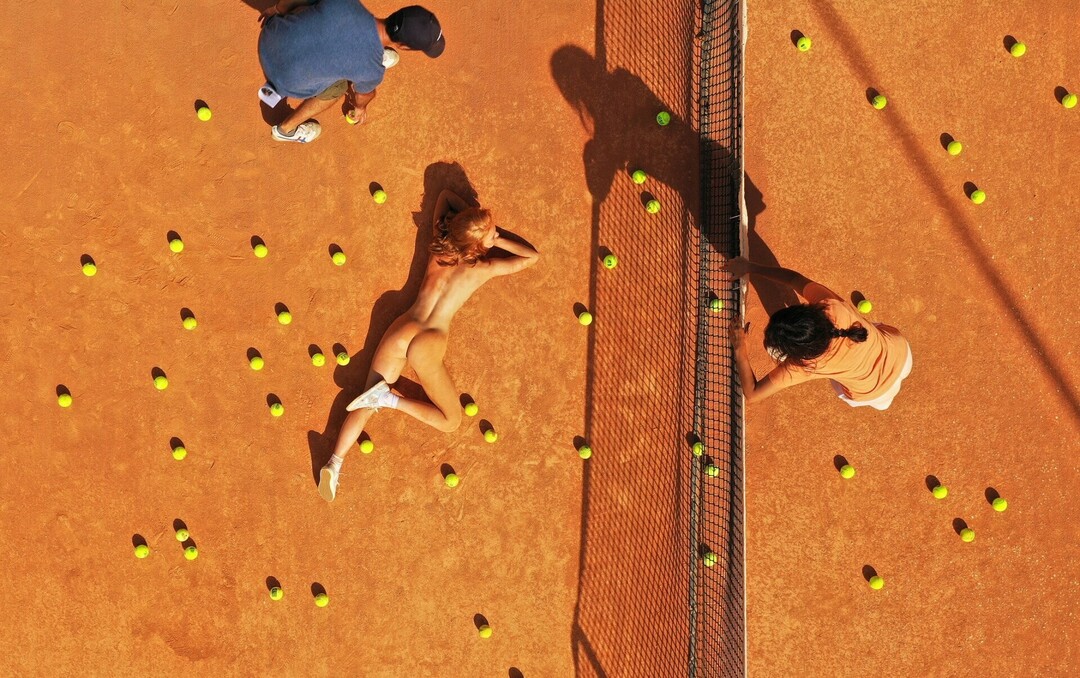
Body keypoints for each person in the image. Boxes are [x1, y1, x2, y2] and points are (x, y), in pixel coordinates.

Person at [319, 188, 540, 501]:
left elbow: (445, 197)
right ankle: (390, 400)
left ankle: (334, 462)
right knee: (451, 421)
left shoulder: (440, 249)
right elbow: (531, 257)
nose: (493, 232)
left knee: (366, 401)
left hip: (403, 328)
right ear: (477, 246)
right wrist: (496, 239)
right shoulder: (484, 269)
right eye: (489, 232)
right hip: (429, 342)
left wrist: (471, 226)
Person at [724, 256, 912, 410]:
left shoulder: (805, 367)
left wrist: (740, 348)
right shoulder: (831, 306)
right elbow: (794, 279)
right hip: (901, 352)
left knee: (874, 398)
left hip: (874, 394)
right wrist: (751, 266)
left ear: (800, 355)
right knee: (866, 330)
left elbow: (753, 394)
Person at [257, 2, 445, 143]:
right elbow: (363, 95)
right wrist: (360, 108)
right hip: (286, 82)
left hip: (268, 37)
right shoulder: (372, 71)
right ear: (403, 46)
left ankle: (365, 52)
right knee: (339, 87)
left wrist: (277, 9)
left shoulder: (345, 3)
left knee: (316, 7)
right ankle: (285, 131)